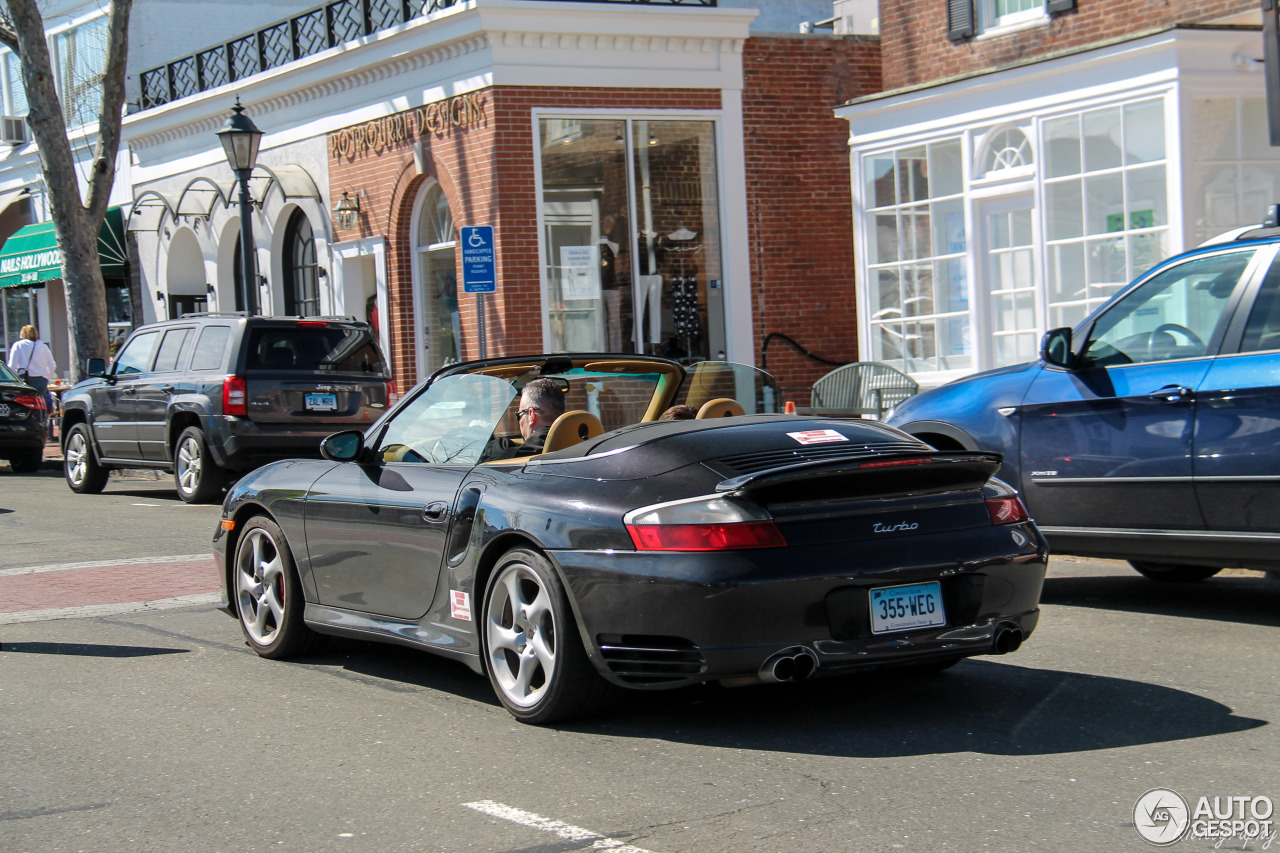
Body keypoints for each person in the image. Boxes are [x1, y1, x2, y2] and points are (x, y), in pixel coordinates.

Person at [7, 325, 57, 439]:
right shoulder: (43, 346)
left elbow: (11, 366)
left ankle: (27, 431)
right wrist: (46, 376)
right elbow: (52, 365)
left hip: (26, 379)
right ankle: (48, 432)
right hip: (42, 379)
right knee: (43, 405)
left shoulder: (18, 345)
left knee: (26, 405)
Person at [514, 377, 566, 456]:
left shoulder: (522, 456)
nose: (519, 421)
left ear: (531, 415)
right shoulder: (581, 445)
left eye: (519, 414)